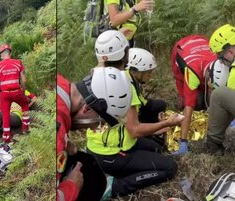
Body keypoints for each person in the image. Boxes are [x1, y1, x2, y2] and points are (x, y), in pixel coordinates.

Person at [91, 33, 182, 197]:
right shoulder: (124, 85)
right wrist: (167, 123)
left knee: (156, 148)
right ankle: (115, 187)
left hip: (101, 144)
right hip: (111, 153)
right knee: (169, 167)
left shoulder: (95, 76)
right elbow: (134, 130)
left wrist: (156, 129)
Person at [57, 67, 132, 201]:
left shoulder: (61, 86)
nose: (94, 128)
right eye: (98, 122)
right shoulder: (58, 128)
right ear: (88, 107)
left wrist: (65, 140)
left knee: (89, 165)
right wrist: (70, 187)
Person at [170, 34, 217, 155]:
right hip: (181, 50)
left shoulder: (222, 65)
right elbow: (188, 108)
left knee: (214, 99)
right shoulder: (192, 74)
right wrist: (184, 141)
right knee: (189, 101)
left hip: (202, 43)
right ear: (206, 77)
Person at [206, 24, 235, 154]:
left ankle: (214, 144)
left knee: (219, 95)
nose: (220, 61)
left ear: (230, 51)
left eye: (219, 56)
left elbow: (229, 110)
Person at [0, 44, 30, 143]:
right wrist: (23, 92)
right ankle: (25, 129)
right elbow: (23, 81)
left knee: (5, 114)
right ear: (10, 53)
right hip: (17, 91)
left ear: (1, 55)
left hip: (4, 94)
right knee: (25, 105)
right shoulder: (18, 63)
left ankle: (6, 138)